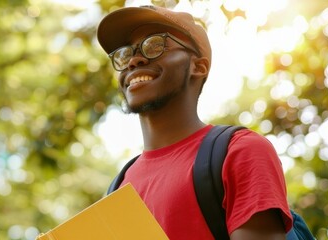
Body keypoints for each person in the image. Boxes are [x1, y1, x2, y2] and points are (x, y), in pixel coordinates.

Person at [97, 5, 293, 240]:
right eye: (125, 54)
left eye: (155, 45)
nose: (133, 61)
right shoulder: (118, 188)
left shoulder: (240, 151)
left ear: (198, 67)